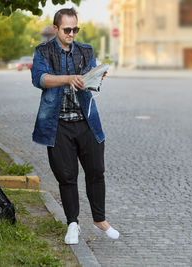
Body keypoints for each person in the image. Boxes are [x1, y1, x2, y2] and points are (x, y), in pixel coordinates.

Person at [31, 8, 119, 245]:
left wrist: (96, 76)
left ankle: (100, 220)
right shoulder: (43, 51)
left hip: (87, 121)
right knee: (67, 177)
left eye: (75, 29)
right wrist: (68, 78)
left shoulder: (85, 51)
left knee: (96, 171)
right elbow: (40, 79)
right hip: (57, 124)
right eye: (67, 29)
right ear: (55, 29)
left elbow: (89, 84)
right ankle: (73, 224)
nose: (72, 34)